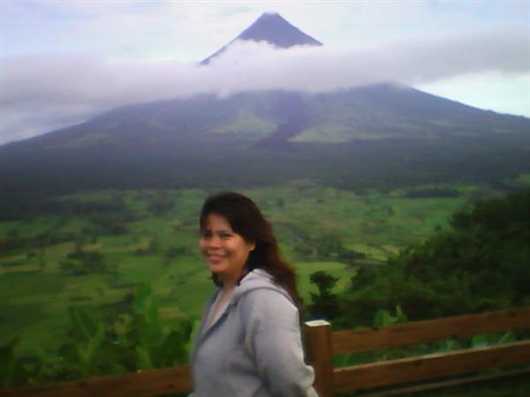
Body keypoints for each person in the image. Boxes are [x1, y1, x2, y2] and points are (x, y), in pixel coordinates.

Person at [189, 192, 318, 397]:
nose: (213, 244)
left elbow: (291, 385)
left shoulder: (265, 301)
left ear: (251, 243)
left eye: (225, 235)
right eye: (207, 234)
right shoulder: (219, 297)